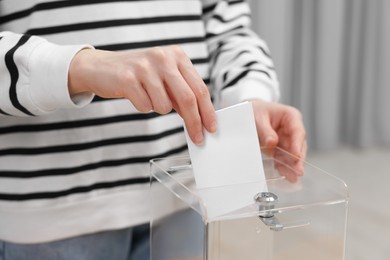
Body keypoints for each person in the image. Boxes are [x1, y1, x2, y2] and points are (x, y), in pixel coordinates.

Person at [0, 0, 307, 259]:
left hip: (186, 191)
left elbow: (227, 27)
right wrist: (80, 67)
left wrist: (248, 95)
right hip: (50, 216)